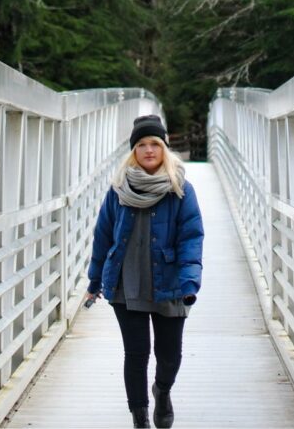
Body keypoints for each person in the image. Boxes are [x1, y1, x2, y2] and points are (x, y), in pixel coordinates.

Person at [84, 115, 205, 429]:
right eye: (141, 144)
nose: (148, 149)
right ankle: (140, 417)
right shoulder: (118, 190)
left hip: (171, 283)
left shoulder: (181, 190)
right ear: (133, 150)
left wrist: (190, 281)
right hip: (127, 283)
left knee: (170, 355)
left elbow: (191, 238)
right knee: (136, 353)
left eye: (154, 143)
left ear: (164, 147)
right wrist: (95, 281)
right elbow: (103, 237)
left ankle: (162, 391)